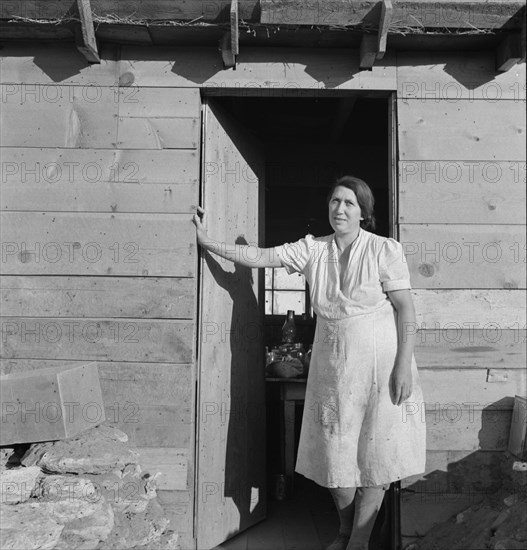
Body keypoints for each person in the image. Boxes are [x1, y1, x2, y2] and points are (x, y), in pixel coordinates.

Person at [193, 175, 426, 550]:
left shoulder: (384, 250)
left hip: (382, 366)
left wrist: (403, 364)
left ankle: (358, 542)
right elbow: (263, 256)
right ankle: (348, 529)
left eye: (349, 203)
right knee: (335, 458)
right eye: (335, 201)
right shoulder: (313, 249)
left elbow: (406, 311)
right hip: (333, 366)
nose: (340, 209)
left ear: (363, 212)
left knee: (376, 454)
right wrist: (208, 243)